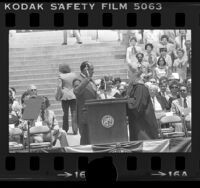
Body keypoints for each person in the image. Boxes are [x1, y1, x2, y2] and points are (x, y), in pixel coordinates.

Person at [126, 65, 159, 141]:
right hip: (138, 123)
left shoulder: (140, 88)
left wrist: (126, 101)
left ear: (135, 74)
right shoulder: (135, 87)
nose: (128, 77)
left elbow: (137, 107)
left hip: (143, 126)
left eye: (129, 74)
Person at [73, 61, 98, 145]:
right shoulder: (78, 80)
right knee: (85, 140)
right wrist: (87, 79)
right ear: (85, 70)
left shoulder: (91, 80)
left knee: (93, 138)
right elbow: (76, 91)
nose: (93, 71)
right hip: (85, 114)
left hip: (94, 112)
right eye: (92, 69)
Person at [55, 63, 78, 134]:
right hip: (73, 95)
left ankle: (65, 128)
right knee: (74, 112)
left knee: (65, 113)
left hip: (64, 96)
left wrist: (57, 94)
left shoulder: (61, 76)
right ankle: (75, 129)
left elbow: (59, 86)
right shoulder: (74, 75)